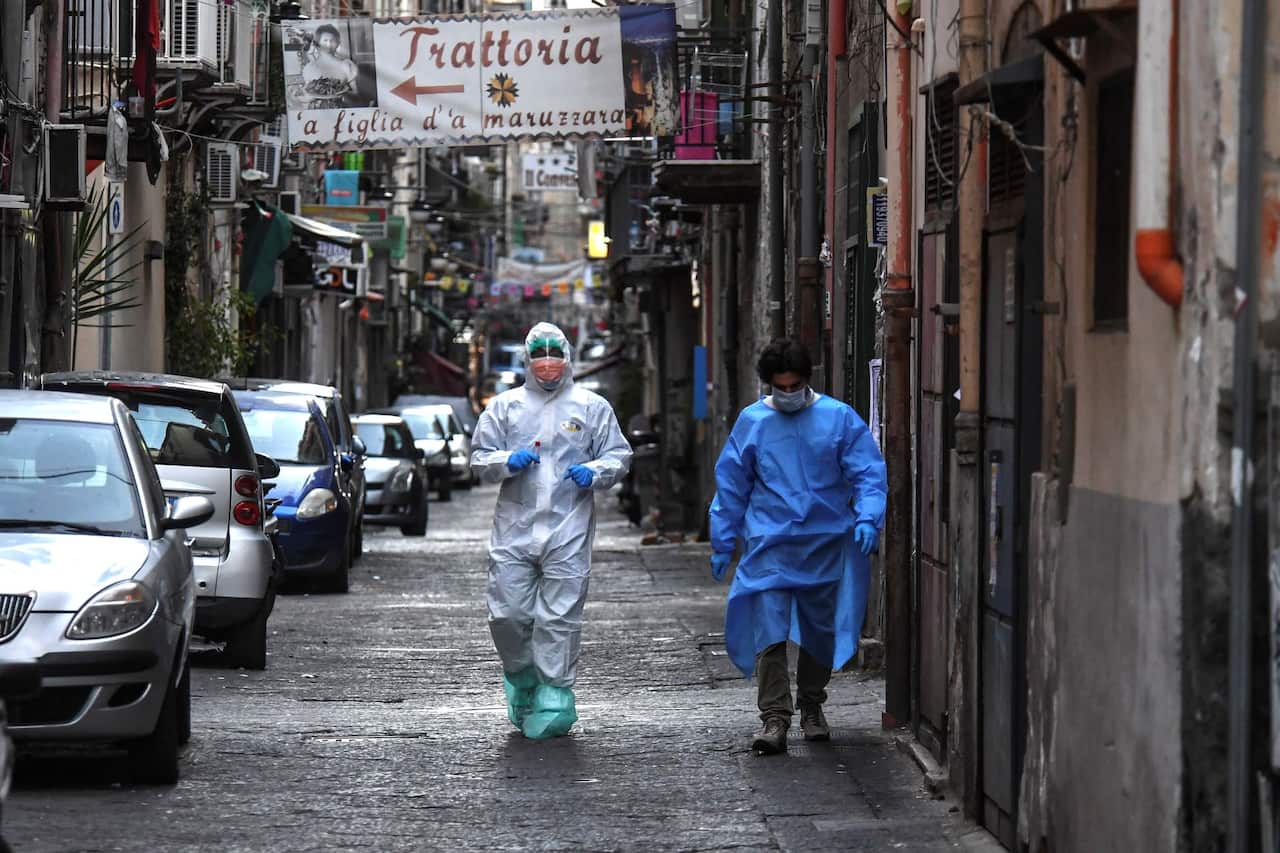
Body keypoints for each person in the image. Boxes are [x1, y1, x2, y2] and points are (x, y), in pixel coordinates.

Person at [709, 338, 887, 755]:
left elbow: (868, 474)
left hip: (824, 541)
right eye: (780, 387)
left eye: (795, 386)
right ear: (769, 384)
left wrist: (867, 517)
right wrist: (723, 539)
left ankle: (811, 704)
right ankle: (774, 717)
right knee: (768, 629)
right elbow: (732, 484)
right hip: (769, 543)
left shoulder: (838, 419)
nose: (788, 394)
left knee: (818, 633)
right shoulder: (752, 423)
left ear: (807, 381)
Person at [471, 323, 633, 739]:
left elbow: (617, 454)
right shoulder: (505, 407)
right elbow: (479, 458)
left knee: (559, 617)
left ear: (567, 357)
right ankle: (523, 676)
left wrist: (595, 471)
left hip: (569, 527)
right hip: (515, 526)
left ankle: (555, 695)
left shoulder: (591, 406)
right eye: (539, 355)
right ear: (528, 360)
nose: (547, 364)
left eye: (554, 354)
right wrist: (508, 460)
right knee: (507, 614)